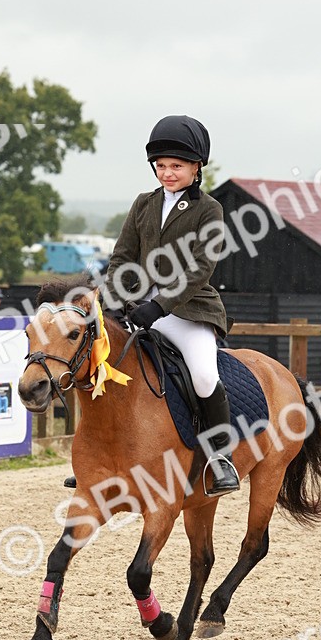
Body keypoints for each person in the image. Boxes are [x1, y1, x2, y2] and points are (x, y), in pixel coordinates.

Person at [100, 114, 239, 496]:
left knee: (204, 377)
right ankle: (99, 456)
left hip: (190, 311)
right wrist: (114, 294)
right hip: (140, 307)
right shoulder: (144, 203)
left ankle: (219, 456)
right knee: (103, 364)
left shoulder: (209, 210)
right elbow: (123, 256)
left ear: (196, 167)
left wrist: (159, 306)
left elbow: (199, 269)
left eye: (176, 166)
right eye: (161, 166)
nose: (167, 173)